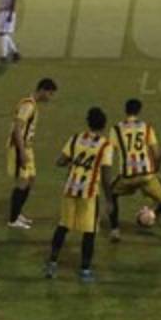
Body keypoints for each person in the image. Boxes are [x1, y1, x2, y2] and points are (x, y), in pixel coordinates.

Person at [45, 106, 116, 283]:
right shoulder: (105, 145)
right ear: (104, 125)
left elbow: (60, 161)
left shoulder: (76, 138)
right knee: (89, 231)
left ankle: (52, 263)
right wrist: (110, 200)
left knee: (63, 226)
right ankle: (85, 270)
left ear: (88, 122)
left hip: (70, 188)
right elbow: (106, 176)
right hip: (88, 193)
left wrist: (73, 162)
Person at [107, 99, 161, 246]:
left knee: (111, 195)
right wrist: (156, 171)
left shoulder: (116, 129)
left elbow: (110, 152)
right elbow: (155, 153)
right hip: (147, 176)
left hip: (127, 177)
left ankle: (115, 230)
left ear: (125, 110)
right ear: (139, 111)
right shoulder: (147, 128)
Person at [7, 78, 58, 230]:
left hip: (27, 147)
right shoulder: (28, 105)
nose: (50, 97)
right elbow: (17, 129)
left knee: (30, 179)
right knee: (22, 182)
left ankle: (18, 213)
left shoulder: (33, 105)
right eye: (50, 93)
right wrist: (22, 152)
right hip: (19, 147)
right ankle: (13, 220)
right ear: (42, 90)